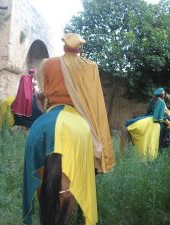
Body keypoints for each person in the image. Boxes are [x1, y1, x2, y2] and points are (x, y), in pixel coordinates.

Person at [22, 33, 115, 225]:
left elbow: (44, 92)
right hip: (76, 115)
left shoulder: (47, 64)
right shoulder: (89, 67)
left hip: (50, 113)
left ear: (64, 46)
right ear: (79, 48)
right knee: (93, 149)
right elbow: (94, 99)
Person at [124, 87, 170, 159]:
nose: (164, 95)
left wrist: (145, 117)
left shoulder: (153, 101)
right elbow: (160, 115)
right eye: (163, 94)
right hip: (158, 118)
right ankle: (165, 139)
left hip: (149, 116)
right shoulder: (161, 102)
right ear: (161, 95)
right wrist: (167, 118)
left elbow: (148, 111)